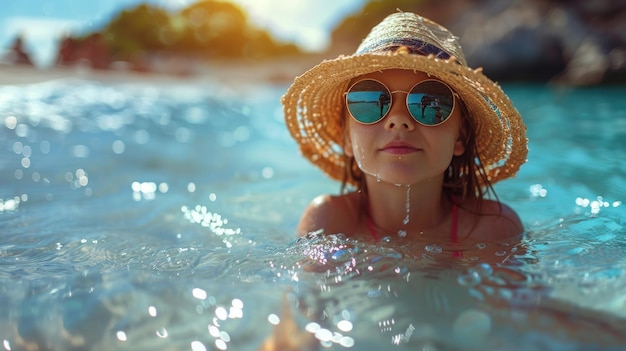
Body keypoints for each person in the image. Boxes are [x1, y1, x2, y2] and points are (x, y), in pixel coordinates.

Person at [281, 11, 528, 248]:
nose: (398, 120)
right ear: (346, 137)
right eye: (371, 98)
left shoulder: (493, 230)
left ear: (460, 137)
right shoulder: (330, 223)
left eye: (432, 100)